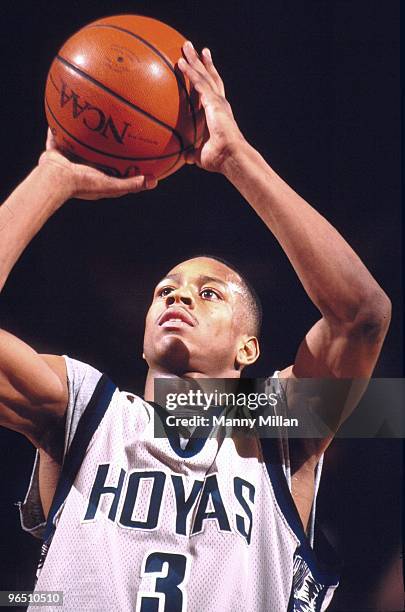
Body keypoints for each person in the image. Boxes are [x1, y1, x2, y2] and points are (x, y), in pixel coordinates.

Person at [0, 40, 390, 611]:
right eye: (165, 290)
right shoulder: (87, 411)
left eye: (209, 293)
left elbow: (363, 315)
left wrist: (236, 157)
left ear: (248, 348)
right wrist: (51, 178)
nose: (179, 293)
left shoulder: (278, 430)